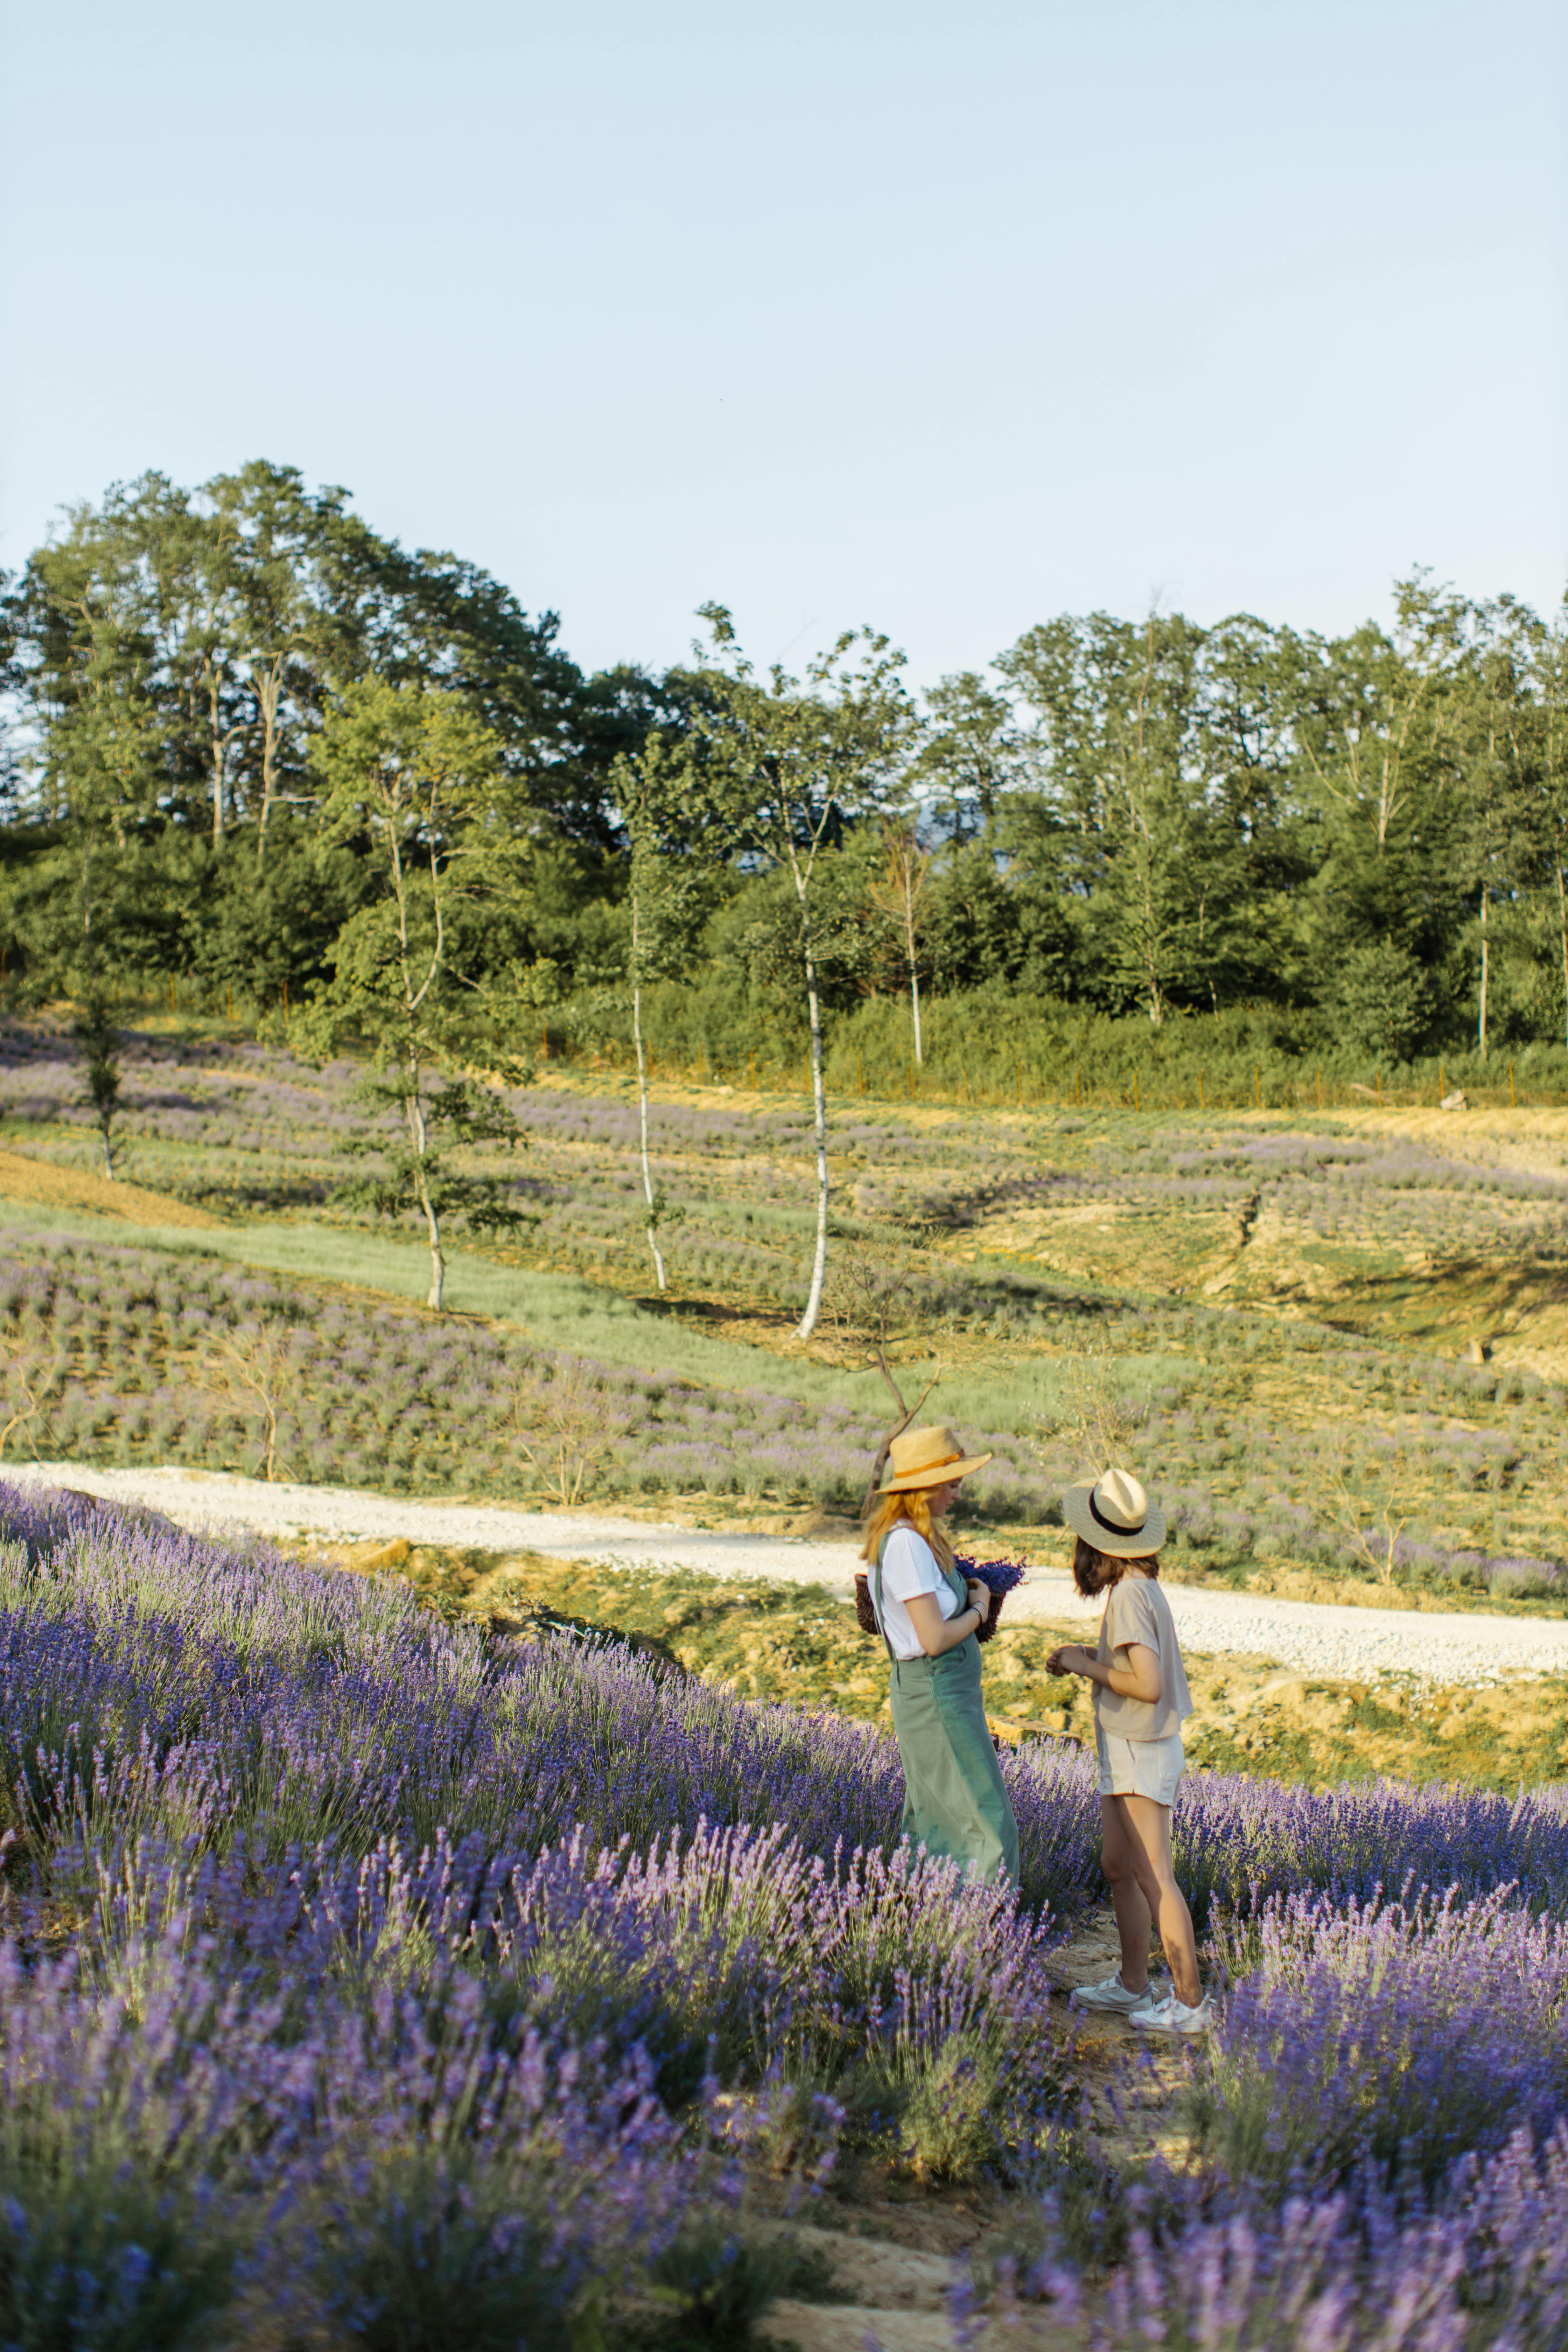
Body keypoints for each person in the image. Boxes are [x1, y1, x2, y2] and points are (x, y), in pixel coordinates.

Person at [1045, 1468, 1210, 2035]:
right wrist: (1084, 1657)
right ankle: (1134, 1984)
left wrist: (1083, 1665)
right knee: (1120, 1866)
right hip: (1125, 1747)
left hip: (1143, 1750)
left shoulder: (1133, 1596)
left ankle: (1189, 2005)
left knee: (1154, 1875)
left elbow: (1148, 1684)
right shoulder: (1135, 1588)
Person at [861, 1423, 1021, 1885]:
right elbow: (932, 1638)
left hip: (938, 1695)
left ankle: (930, 1929)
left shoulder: (912, 1537)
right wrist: (978, 1608)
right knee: (987, 1824)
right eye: (952, 1483)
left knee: (940, 1821)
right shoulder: (908, 1544)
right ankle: (979, 1939)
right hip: (937, 1696)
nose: (958, 1492)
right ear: (926, 1487)